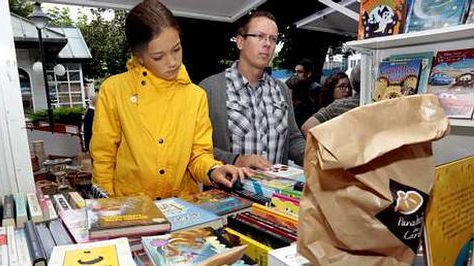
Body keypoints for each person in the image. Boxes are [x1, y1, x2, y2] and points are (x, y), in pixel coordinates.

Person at [90, 0, 249, 200]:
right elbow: (103, 158)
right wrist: (108, 209)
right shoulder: (114, 90)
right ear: (138, 57)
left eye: (176, 49)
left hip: (183, 210)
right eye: (158, 56)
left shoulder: (195, 96)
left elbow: (199, 155)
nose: (172, 62)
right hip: (132, 210)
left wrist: (213, 170)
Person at [200, 10, 305, 170]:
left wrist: (317, 157)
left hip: (276, 193)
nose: (267, 44)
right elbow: (198, 150)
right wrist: (235, 160)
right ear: (240, 42)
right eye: (260, 36)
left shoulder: (281, 90)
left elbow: (292, 139)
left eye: (273, 39)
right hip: (228, 193)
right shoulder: (210, 89)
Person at [301, 64, 361, 135]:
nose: (347, 90)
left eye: (349, 86)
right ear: (331, 89)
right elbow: (307, 127)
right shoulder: (331, 109)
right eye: (341, 86)